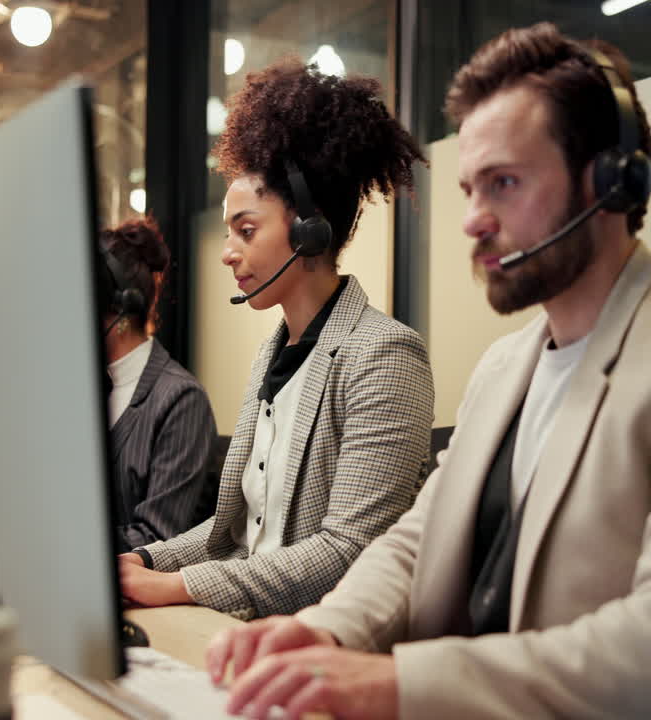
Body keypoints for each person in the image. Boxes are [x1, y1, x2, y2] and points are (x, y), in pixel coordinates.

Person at [206, 23, 651, 720]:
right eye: (471, 188)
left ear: (611, 182)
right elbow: (416, 544)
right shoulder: (506, 368)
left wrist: (400, 684)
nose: (473, 219)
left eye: (503, 184)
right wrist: (326, 629)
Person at [117, 58, 435, 621]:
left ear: (309, 229)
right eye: (227, 232)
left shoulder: (384, 355)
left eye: (246, 230)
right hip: (249, 631)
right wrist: (141, 559)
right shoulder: (275, 353)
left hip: (324, 645)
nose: (227, 252)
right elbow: (230, 534)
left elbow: (350, 554)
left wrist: (179, 587)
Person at [97, 217, 218, 554]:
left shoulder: (180, 399)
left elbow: (157, 535)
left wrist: (67, 542)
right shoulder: (82, 391)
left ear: (121, 313)